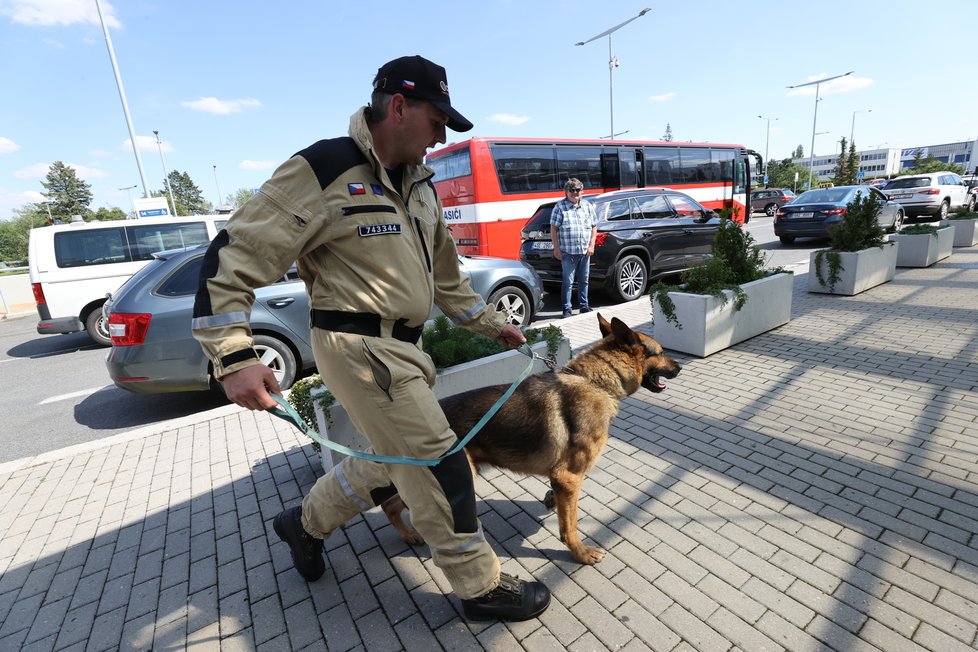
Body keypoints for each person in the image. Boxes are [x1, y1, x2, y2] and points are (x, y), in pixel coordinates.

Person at [192, 55, 550, 622]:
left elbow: (447, 278)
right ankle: (480, 587)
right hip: (358, 350)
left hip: (404, 351)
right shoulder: (324, 168)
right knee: (438, 463)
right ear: (400, 106)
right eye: (437, 121)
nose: (440, 136)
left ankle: (304, 523)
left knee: (391, 459)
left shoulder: (421, 184)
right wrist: (233, 356)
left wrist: (488, 323)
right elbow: (233, 257)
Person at [550, 178, 598, 317]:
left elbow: (594, 226)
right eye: (571, 190)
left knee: (584, 280)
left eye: (577, 190)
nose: (575, 193)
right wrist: (556, 249)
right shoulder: (560, 207)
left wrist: (591, 245)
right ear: (566, 192)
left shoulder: (588, 206)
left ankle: (584, 306)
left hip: (584, 252)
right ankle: (567, 309)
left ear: (581, 191)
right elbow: (554, 229)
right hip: (568, 253)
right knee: (568, 283)